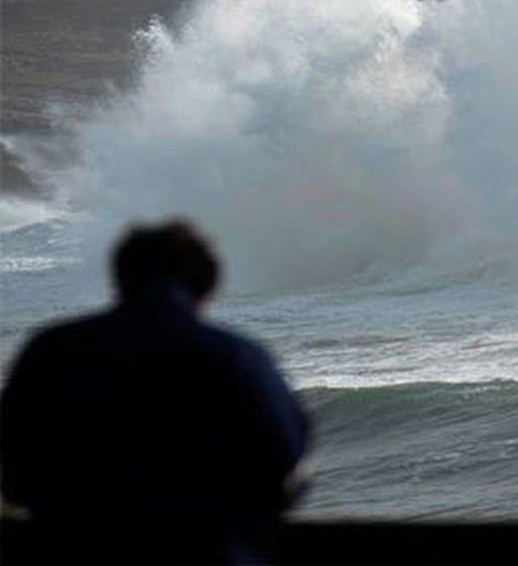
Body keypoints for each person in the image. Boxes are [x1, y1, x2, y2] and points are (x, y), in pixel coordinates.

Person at [0, 220, 311, 564]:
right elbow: (286, 472)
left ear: (121, 278)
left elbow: (15, 477)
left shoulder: (49, 351)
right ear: (206, 286)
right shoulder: (236, 357)